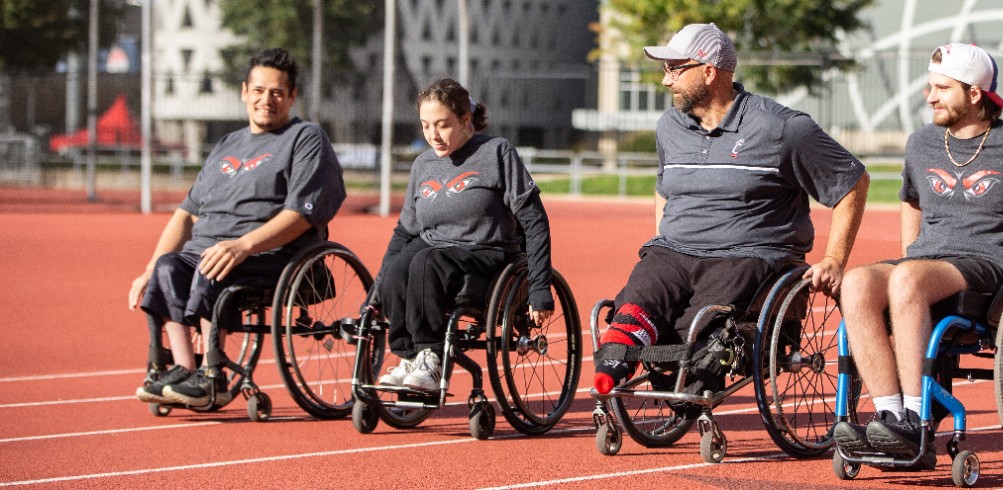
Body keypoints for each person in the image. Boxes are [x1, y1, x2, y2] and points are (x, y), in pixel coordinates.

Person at [833, 43, 1003, 470]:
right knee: (857, 282)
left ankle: (916, 422)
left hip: (995, 265)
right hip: (931, 262)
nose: (930, 97)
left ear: (975, 95)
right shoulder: (921, 143)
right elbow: (911, 200)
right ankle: (890, 414)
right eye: (930, 87)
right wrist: (912, 254)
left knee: (907, 282)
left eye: (942, 88)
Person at [592, 23, 870, 395]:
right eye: (665, 70)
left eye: (675, 69)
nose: (666, 81)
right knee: (642, 291)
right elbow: (664, 188)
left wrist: (835, 259)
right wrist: (665, 240)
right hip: (676, 252)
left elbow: (852, 181)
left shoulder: (782, 128)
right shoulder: (669, 126)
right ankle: (615, 360)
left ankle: (692, 373)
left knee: (698, 328)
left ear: (709, 71)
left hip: (748, 256)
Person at [127, 48, 347, 406]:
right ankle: (184, 369)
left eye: (277, 92)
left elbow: (304, 214)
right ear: (244, 92)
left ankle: (214, 375)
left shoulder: (306, 138)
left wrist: (244, 245)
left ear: (292, 96)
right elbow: (186, 215)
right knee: (167, 267)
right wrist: (149, 268)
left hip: (273, 254)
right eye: (258, 90)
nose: (266, 100)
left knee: (212, 260)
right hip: (214, 251)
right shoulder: (228, 144)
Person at [372, 78, 554, 391]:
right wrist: (375, 295)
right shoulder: (423, 164)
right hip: (435, 252)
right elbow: (404, 232)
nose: (433, 135)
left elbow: (534, 220)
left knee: (425, 261)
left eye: (442, 125)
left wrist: (540, 288)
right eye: (426, 125)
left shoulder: (496, 153)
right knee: (399, 267)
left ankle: (430, 355)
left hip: (487, 253)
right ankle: (408, 355)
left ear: (465, 120)